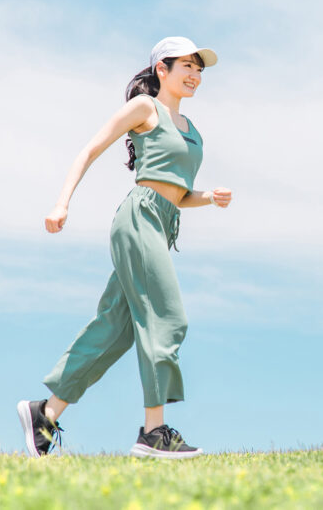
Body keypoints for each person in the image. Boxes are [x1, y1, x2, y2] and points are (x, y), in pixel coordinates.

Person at [16, 36, 232, 459]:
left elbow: (177, 191)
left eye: (198, 68)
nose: (194, 74)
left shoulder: (193, 133)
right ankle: (154, 432)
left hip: (163, 222)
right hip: (139, 219)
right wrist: (62, 203)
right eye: (185, 65)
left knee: (116, 329)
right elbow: (90, 149)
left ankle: (46, 412)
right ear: (161, 71)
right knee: (167, 319)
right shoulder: (145, 109)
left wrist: (208, 196)